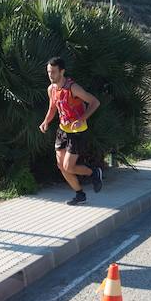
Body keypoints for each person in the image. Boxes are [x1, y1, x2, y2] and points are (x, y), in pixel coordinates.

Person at [39, 56, 103, 205]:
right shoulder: (51, 89)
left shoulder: (73, 88)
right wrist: (46, 122)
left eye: (53, 72)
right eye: (48, 72)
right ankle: (80, 194)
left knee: (69, 166)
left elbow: (94, 102)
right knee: (61, 166)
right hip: (62, 131)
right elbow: (52, 108)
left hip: (78, 132)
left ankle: (94, 172)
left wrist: (81, 119)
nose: (50, 75)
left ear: (62, 71)